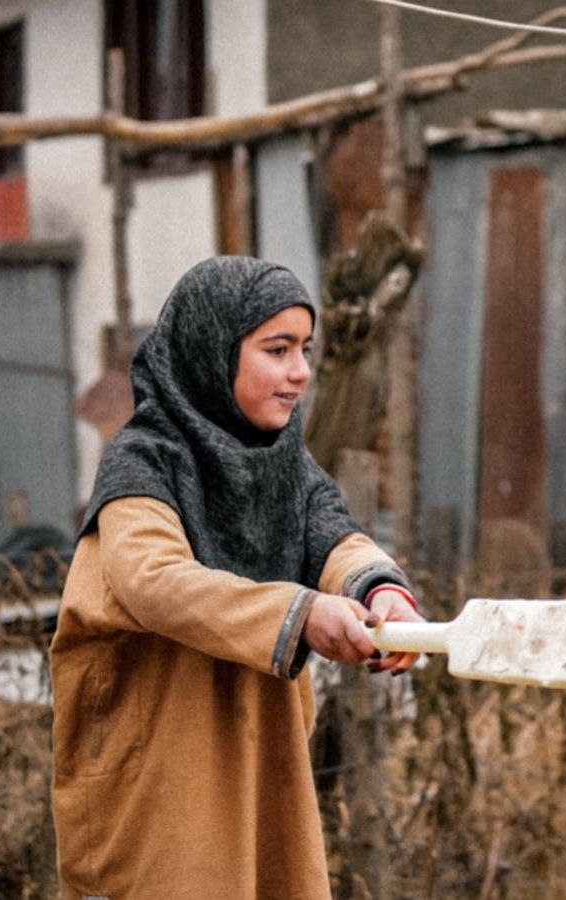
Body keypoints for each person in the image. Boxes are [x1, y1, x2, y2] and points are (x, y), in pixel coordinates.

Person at [49, 257, 424, 899]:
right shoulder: (143, 464)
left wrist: (379, 592)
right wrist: (302, 614)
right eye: (276, 350)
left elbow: (333, 536)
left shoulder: (283, 462)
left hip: (258, 752)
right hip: (161, 762)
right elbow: (154, 581)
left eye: (305, 350)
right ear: (212, 352)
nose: (300, 371)